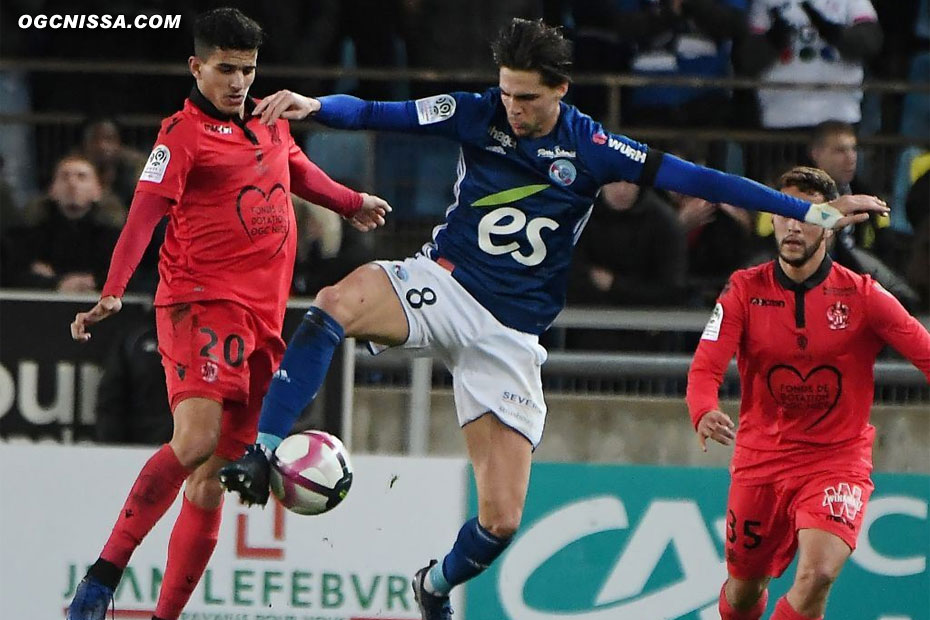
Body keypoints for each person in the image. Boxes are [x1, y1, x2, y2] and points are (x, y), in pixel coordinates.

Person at [219, 19, 887, 620]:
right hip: (445, 282)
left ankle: (433, 585)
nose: (513, 107)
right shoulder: (474, 112)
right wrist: (315, 107)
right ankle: (262, 448)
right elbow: (376, 111)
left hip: (509, 337)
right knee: (334, 302)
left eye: (528, 97)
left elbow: (709, 181)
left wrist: (817, 213)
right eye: (508, 92)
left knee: (502, 520)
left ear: (560, 90)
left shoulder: (594, 147)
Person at [65, 8, 390, 620]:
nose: (238, 81)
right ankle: (102, 578)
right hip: (200, 303)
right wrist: (113, 289)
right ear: (197, 66)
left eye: (247, 69)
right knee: (194, 442)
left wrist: (349, 202)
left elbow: (294, 169)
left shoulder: (267, 120)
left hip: (265, 320)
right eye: (225, 69)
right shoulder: (179, 136)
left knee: (213, 480)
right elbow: (143, 213)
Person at [686, 166, 930, 620]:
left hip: (836, 459)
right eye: (784, 212)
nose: (793, 225)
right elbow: (706, 365)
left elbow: (926, 352)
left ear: (832, 226)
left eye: (808, 216)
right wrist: (703, 409)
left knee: (816, 575)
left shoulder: (863, 296)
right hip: (761, 459)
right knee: (742, 590)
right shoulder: (744, 289)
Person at [0, 154, 121, 292]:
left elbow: (126, 277)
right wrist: (56, 284)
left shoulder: (113, 239)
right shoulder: (27, 237)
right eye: (64, 177)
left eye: (81, 177)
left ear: (97, 191)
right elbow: (11, 276)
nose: (72, 183)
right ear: (52, 190)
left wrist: (90, 282)